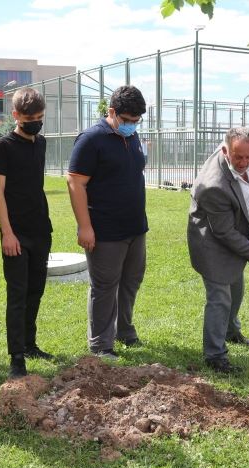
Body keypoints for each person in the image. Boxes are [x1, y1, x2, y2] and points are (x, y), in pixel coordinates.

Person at [67, 85, 149, 359]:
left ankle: (125, 331)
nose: (132, 126)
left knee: (131, 281)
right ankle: (101, 344)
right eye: (127, 121)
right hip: (105, 230)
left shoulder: (133, 137)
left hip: (135, 227)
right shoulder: (91, 139)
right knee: (104, 286)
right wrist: (85, 226)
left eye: (136, 122)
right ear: (111, 112)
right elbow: (75, 183)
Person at [187, 127, 249, 373]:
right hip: (212, 245)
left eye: (248, 157)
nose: (243, 163)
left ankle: (231, 332)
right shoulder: (214, 186)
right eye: (238, 157)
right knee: (220, 299)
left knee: (237, 290)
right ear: (224, 150)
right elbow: (223, 232)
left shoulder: (244, 161)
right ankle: (215, 355)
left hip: (234, 237)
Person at [0, 87, 53, 379]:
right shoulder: (3, 147)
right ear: (16, 115)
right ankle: (16, 357)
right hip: (16, 234)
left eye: (39, 117)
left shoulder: (40, 143)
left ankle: (30, 343)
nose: (35, 122)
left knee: (35, 291)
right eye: (30, 117)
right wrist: (7, 232)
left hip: (41, 230)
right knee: (17, 294)